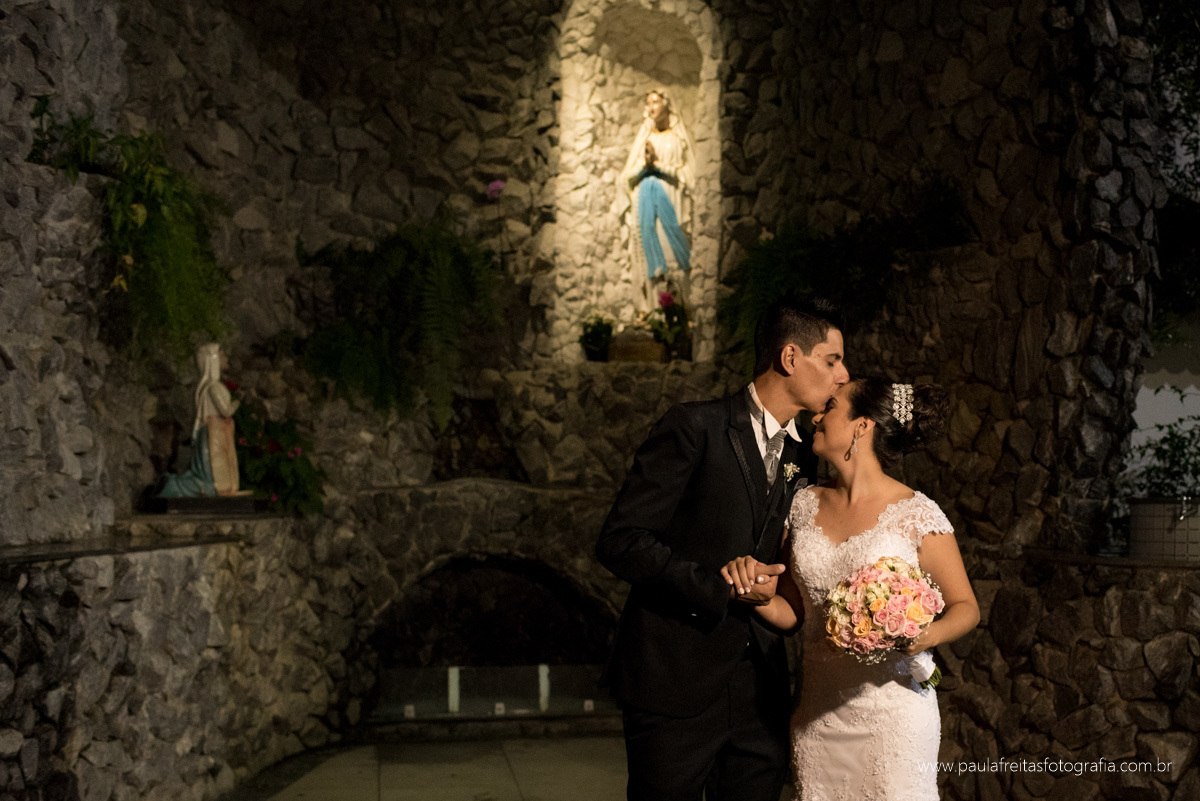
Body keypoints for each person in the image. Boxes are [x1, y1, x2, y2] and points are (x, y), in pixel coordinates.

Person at [595, 297, 850, 801]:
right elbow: (621, 540)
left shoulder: (805, 453)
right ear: (790, 357)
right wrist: (716, 586)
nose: (842, 376)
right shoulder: (694, 427)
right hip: (674, 678)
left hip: (760, 690)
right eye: (832, 360)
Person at [723, 378, 980, 800]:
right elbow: (795, 613)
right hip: (818, 717)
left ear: (862, 426)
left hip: (894, 715)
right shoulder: (802, 505)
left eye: (831, 407)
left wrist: (926, 635)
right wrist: (755, 596)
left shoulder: (916, 513)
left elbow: (966, 606)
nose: (816, 417)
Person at [619, 89, 696, 290]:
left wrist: (659, 166)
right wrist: (645, 167)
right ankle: (657, 301)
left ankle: (681, 299)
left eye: (655, 102)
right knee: (653, 251)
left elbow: (689, 173)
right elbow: (627, 176)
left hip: (672, 200)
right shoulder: (645, 140)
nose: (651, 107)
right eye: (648, 103)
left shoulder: (677, 138)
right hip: (646, 205)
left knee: (673, 252)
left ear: (667, 103)